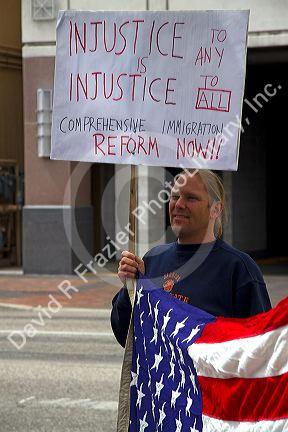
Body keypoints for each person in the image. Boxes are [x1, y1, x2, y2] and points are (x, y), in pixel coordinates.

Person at [111, 169, 271, 347]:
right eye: (174, 196)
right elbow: (127, 336)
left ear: (216, 209)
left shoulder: (238, 268)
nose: (178, 204)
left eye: (191, 198)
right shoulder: (152, 260)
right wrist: (130, 289)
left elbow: (261, 347)